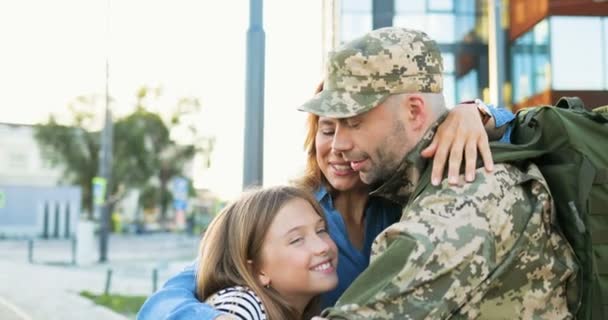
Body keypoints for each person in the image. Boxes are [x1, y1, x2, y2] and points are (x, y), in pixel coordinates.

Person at [298, 27, 579, 319]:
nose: (339, 144)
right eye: (330, 127)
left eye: (355, 123)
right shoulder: (414, 184)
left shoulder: (460, 201)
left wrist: (476, 112)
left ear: (414, 112)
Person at [197, 185, 338, 319]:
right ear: (256, 270)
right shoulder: (240, 304)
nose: (323, 246)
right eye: (297, 240)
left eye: (321, 230)